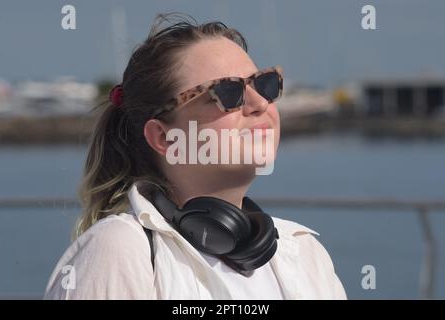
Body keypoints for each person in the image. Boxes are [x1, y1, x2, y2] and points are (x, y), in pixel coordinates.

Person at [44, 12, 346, 300]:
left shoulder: (303, 253)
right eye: (228, 93)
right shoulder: (120, 250)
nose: (259, 104)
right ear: (163, 137)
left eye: (263, 84)